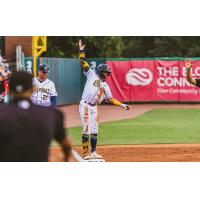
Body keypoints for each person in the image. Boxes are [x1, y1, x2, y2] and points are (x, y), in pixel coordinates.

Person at [0, 71, 72, 162]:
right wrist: (66, 159)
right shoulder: (52, 114)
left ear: (9, 89)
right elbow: (67, 145)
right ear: (33, 89)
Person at [78, 40, 130, 160]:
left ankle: (94, 152)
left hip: (94, 108)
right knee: (86, 129)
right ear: (101, 72)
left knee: (95, 129)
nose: (107, 74)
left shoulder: (105, 86)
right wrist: (81, 51)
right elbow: (82, 62)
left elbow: (111, 99)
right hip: (85, 105)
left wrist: (122, 104)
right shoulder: (91, 74)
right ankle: (86, 154)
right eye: (106, 72)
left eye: (108, 73)